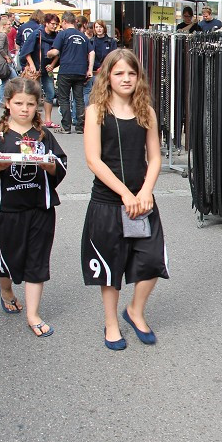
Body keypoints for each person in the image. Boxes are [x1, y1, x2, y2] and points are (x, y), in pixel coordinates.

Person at [82, 49, 168, 350]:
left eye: (131, 73)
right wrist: (125, 193)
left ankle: (135, 311)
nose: (126, 78)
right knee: (110, 267)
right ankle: (111, 323)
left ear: (138, 76)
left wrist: (145, 191)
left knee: (153, 260)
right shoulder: (96, 111)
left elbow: (155, 158)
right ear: (108, 76)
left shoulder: (146, 111)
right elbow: (94, 160)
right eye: (119, 73)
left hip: (142, 202)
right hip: (108, 201)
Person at [0, 77, 68, 338]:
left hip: (41, 208)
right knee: (6, 261)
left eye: (30, 104)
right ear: (7, 104)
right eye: (18, 103)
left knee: (37, 260)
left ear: (37, 105)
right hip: (9, 210)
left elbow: (60, 164)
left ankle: (33, 313)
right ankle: (5, 289)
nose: (24, 109)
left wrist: (48, 164)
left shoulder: (43, 136)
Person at [45, 11, 93, 134]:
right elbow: (91, 52)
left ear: (65, 22)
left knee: (64, 98)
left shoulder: (63, 34)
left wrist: (48, 53)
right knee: (79, 99)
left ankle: (66, 127)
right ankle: (80, 127)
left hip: (66, 71)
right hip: (80, 71)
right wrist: (89, 69)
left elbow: (55, 52)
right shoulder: (83, 36)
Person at [18, 13, 60, 128]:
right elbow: (26, 51)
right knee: (33, 94)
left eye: (56, 24)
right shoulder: (37, 34)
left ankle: (47, 120)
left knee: (50, 93)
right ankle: (32, 119)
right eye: (52, 24)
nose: (54, 26)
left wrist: (52, 65)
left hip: (47, 69)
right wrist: (31, 65)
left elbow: (58, 52)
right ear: (46, 23)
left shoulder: (56, 36)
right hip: (35, 70)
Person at [87, 20, 117, 106]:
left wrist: (104, 67)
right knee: (93, 94)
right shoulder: (91, 41)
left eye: (100, 27)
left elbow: (113, 57)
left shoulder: (111, 41)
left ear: (104, 28)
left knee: (106, 93)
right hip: (93, 71)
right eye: (96, 27)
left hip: (106, 71)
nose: (99, 29)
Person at [0, 15, 17, 108]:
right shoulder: (3, 35)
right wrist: (7, 57)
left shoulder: (2, 35)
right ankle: (2, 100)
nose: (10, 26)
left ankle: (1, 100)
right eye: (8, 24)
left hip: (2, 62)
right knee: (15, 80)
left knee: (6, 81)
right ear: (3, 25)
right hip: (3, 63)